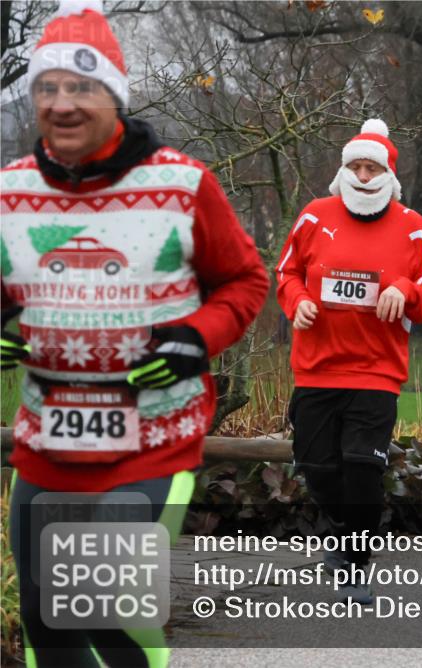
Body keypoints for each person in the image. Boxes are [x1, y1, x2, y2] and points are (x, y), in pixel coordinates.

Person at [0, 2, 269, 666]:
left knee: (97, 604)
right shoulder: (8, 193)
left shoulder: (180, 184)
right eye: (48, 87)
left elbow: (244, 282)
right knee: (45, 619)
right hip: (49, 440)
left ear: (114, 97)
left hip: (150, 439)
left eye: (82, 87)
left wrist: (193, 338)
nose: (62, 104)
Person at [276, 119, 422, 600]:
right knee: (316, 463)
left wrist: (403, 289)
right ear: (343, 169)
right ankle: (343, 529)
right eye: (356, 166)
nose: (364, 175)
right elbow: (287, 272)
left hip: (376, 370)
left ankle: (356, 563)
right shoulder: (314, 215)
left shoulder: (412, 227)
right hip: (317, 367)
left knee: (362, 468)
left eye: (373, 167)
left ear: (388, 174)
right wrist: (297, 301)